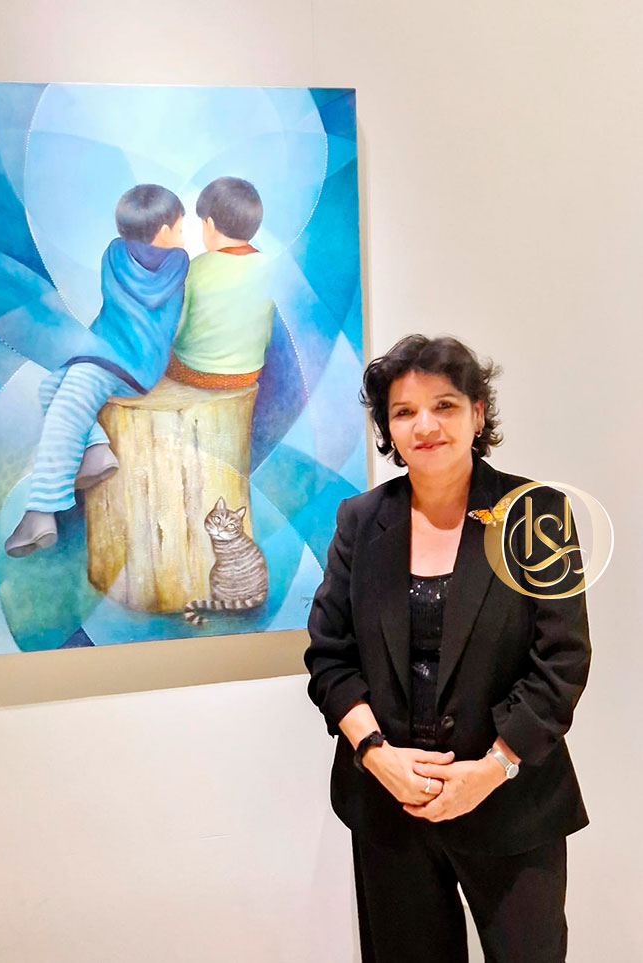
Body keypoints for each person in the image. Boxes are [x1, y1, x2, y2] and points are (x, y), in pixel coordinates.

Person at [304, 334, 591, 963]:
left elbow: (562, 661)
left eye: (445, 405)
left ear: (478, 414)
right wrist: (376, 755)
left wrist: (493, 768)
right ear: (388, 428)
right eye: (404, 412)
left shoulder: (534, 514)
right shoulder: (360, 521)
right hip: (390, 804)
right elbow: (329, 656)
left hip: (511, 802)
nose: (425, 426)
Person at [5, 184, 189, 557]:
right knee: (51, 387)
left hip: (119, 361)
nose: (184, 236)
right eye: (181, 227)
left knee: (70, 401)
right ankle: (96, 451)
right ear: (164, 231)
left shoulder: (115, 254)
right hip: (124, 360)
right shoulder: (178, 263)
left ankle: (41, 510)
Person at [167, 176, 274, 389]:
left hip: (194, 370)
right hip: (249, 372)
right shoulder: (269, 267)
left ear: (209, 224)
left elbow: (177, 326)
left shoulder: (196, 267)